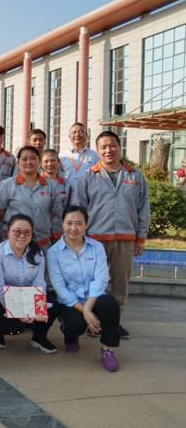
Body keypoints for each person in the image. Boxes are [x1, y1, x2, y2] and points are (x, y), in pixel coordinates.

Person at [73, 131, 150, 338]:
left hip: (126, 239)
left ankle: (114, 322)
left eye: (112, 145)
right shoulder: (89, 175)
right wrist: (79, 239)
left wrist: (141, 238)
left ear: (119, 147)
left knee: (120, 285)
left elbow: (143, 208)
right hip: (95, 240)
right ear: (97, 150)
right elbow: (79, 209)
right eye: (104, 147)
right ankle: (92, 321)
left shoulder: (135, 175)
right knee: (93, 283)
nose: (109, 150)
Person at [47, 206, 121, 371]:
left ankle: (107, 349)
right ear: (62, 224)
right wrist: (84, 311)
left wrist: (88, 308)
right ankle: (71, 336)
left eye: (79, 223)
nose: (73, 228)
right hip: (71, 302)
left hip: (94, 297)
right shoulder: (54, 252)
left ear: (86, 225)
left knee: (110, 304)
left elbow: (100, 280)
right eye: (69, 223)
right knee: (73, 326)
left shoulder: (96, 247)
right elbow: (60, 288)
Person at [0, 214, 60, 354]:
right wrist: (18, 311)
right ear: (8, 232)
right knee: (15, 327)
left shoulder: (37, 253)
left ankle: (39, 337)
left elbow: (39, 283)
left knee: (53, 305)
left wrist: (38, 309)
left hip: (27, 297)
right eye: (17, 231)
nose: (22, 236)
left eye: (27, 232)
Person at [0, 146, 61, 250]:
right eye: (24, 159)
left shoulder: (49, 185)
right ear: (18, 162)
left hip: (41, 241)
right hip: (15, 241)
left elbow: (53, 212)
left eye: (33, 158)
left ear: (39, 161)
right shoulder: (7, 185)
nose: (29, 162)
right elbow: (0, 211)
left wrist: (39, 220)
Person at [41, 149, 72, 244]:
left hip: (61, 232)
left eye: (53, 160)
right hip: (41, 233)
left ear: (58, 162)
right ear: (40, 163)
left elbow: (71, 208)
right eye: (46, 161)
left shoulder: (67, 184)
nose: (50, 164)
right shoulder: (36, 184)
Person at [59, 122, 100, 189]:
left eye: (81, 132)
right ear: (69, 136)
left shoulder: (95, 156)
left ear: (86, 135)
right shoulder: (62, 156)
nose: (77, 134)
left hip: (87, 192)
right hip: (66, 193)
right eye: (74, 132)